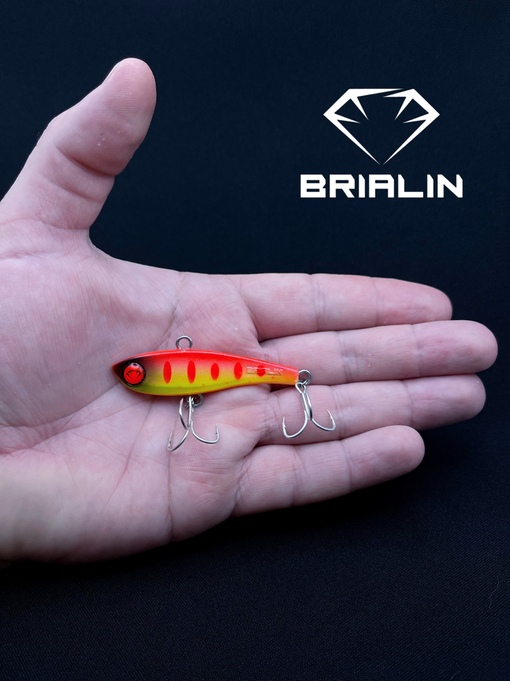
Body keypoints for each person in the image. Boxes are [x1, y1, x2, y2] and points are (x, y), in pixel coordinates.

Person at [0, 59, 497, 563]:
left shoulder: (162, 373)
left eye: (132, 371)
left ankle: (290, 378)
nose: (129, 374)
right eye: (132, 373)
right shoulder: (148, 375)